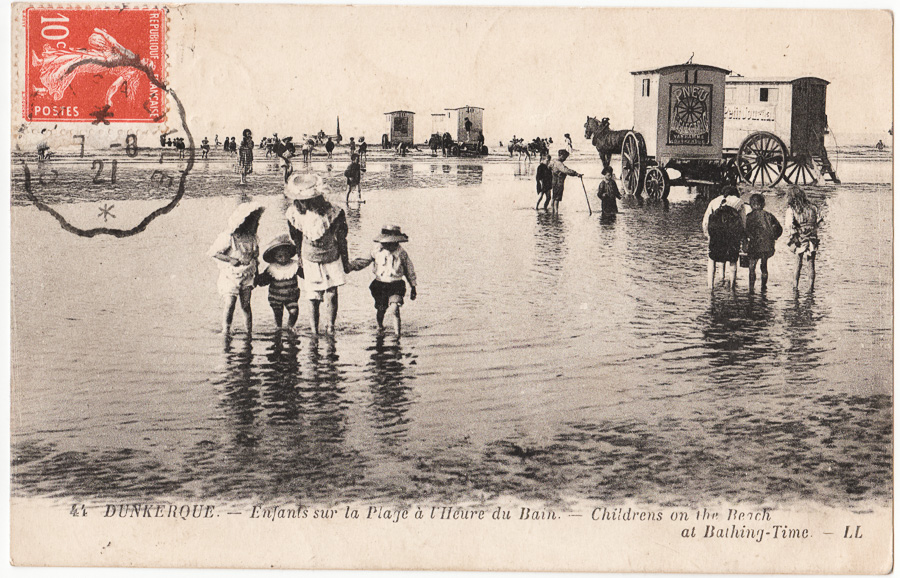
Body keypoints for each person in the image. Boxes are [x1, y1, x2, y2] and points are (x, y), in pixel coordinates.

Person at [284, 173, 351, 335]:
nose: (304, 203)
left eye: (308, 200)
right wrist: (299, 257)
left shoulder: (334, 212)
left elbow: (342, 238)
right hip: (309, 257)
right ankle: (314, 330)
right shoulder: (294, 214)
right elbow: (296, 237)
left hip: (331, 256)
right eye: (302, 200)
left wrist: (346, 260)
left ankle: (330, 326)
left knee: (332, 293)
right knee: (313, 296)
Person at [208, 203, 265, 335]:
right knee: (230, 303)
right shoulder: (231, 238)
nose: (256, 225)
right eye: (253, 222)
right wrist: (230, 259)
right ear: (243, 223)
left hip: (247, 275)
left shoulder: (253, 239)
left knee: (246, 305)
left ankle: (248, 331)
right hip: (230, 276)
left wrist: (257, 274)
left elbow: (255, 258)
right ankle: (226, 329)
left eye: (256, 222)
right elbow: (214, 253)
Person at [350, 225, 417, 335]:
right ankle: (380, 326)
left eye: (391, 243)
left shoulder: (402, 254)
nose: (388, 246)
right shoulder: (376, 250)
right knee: (381, 309)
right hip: (379, 285)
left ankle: (397, 334)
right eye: (386, 243)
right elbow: (363, 261)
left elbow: (410, 271)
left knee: (395, 308)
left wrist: (413, 286)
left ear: (397, 242)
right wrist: (351, 266)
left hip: (396, 284)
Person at [702, 185, 747, 289]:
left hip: (717, 234)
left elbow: (705, 222)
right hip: (732, 234)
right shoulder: (739, 202)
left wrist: (709, 236)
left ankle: (711, 286)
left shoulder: (714, 201)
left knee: (712, 259)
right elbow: (743, 223)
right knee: (732, 260)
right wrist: (743, 239)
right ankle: (732, 287)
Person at [255, 234, 302, 332]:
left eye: (286, 255)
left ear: (290, 254)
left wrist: (305, 266)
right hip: (275, 297)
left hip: (291, 296)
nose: (283, 258)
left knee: (294, 311)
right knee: (278, 312)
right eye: (280, 256)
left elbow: (305, 275)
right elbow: (263, 281)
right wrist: (256, 274)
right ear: (274, 256)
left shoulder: (294, 265)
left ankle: (290, 326)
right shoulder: (272, 268)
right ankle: (279, 327)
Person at [785, 185, 821, 290]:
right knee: (811, 264)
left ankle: (795, 287)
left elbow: (789, 225)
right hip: (812, 238)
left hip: (800, 238)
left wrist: (794, 237)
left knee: (798, 263)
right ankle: (810, 288)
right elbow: (819, 221)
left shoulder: (792, 209)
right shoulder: (813, 207)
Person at [744, 193, 783, 291]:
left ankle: (751, 288)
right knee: (764, 266)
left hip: (754, 244)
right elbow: (779, 229)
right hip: (767, 245)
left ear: (751, 205)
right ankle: (763, 288)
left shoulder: (749, 216)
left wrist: (745, 241)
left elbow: (744, 230)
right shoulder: (769, 215)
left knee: (752, 266)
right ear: (763, 204)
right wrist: (774, 237)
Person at [548, 149, 582, 213]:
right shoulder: (559, 164)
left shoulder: (553, 161)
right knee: (557, 198)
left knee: (553, 197)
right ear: (561, 155)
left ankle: (553, 212)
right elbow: (566, 170)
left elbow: (548, 168)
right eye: (565, 157)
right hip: (559, 182)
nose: (565, 159)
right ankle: (556, 213)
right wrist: (576, 174)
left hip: (553, 181)